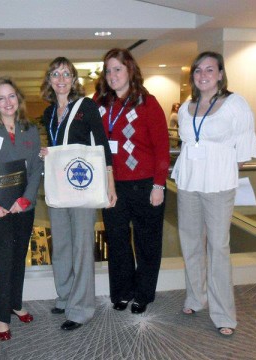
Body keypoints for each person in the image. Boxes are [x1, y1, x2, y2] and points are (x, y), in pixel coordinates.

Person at [171, 51, 256, 336]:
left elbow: (243, 152)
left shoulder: (236, 104)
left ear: (220, 74)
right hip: (188, 182)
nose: (203, 75)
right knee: (191, 243)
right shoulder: (186, 106)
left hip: (219, 184)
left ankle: (223, 314)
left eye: (210, 70)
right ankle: (196, 298)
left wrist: (221, 170)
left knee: (218, 248)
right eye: (198, 70)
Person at [39, 57, 117, 331]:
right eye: (55, 74)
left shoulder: (86, 107)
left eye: (66, 74)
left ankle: (81, 308)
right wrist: (46, 153)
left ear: (74, 80)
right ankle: (65, 295)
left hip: (82, 186)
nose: (61, 79)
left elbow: (101, 146)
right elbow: (55, 145)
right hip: (59, 187)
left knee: (82, 247)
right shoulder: (49, 113)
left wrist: (110, 183)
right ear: (49, 80)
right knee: (60, 244)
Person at [94, 48, 170, 314]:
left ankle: (143, 294)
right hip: (112, 184)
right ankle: (122, 292)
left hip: (146, 185)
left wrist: (159, 185)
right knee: (116, 241)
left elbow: (162, 148)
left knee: (147, 243)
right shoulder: (100, 103)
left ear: (130, 70)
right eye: (108, 70)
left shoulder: (147, 103)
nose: (112, 75)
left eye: (118, 69)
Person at [0, 77, 43, 341]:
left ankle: (15, 302)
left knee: (18, 259)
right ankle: (1, 315)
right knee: (0, 264)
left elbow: (36, 168)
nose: (7, 102)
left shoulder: (30, 129)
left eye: (11, 96)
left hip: (23, 207)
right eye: (1, 98)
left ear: (18, 98)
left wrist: (26, 199)